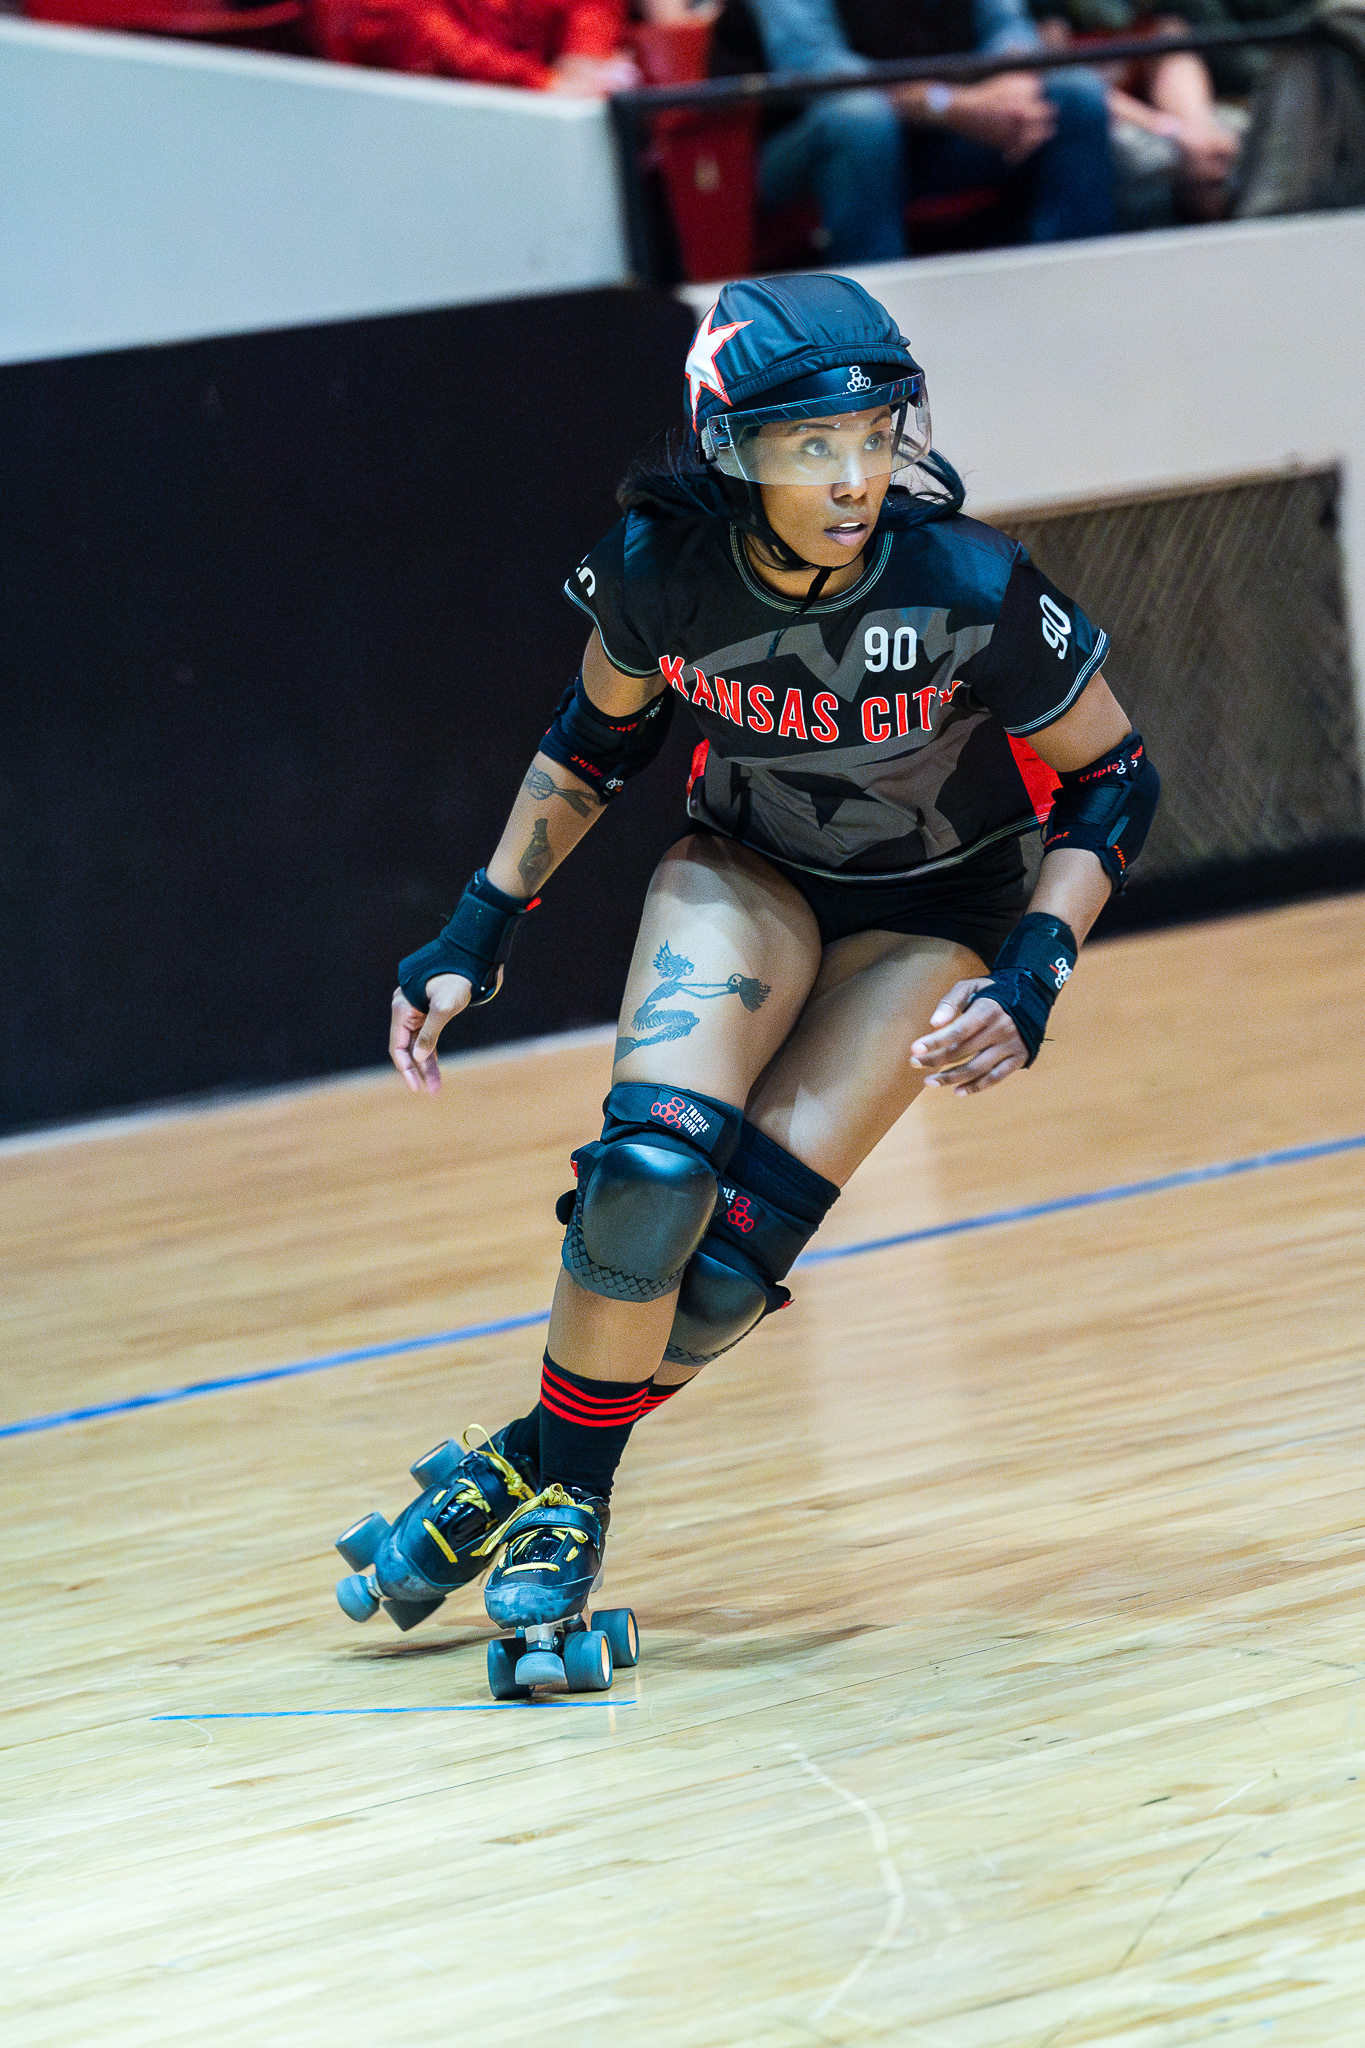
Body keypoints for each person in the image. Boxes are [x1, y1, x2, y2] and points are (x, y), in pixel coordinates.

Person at [334, 273, 1160, 1696]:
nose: (854, 478)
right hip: (749, 873)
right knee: (647, 1182)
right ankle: (569, 1506)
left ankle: (524, 1466)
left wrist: (1035, 971)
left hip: (936, 911)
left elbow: (1115, 777)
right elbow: (593, 743)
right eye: (811, 445)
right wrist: (479, 921)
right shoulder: (660, 572)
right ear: (732, 448)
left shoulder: (967, 583)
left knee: (717, 1282)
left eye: (876, 436)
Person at [709, 0, 1116, 263]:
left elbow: (1008, 28)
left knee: (1074, 97)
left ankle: (1073, 296)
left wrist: (1012, 84)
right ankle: (876, 340)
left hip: (944, 125)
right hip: (798, 148)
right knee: (859, 121)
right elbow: (821, 69)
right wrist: (948, 103)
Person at [309, 0, 640, 93]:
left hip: (533, 139)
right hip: (393, 136)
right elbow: (398, 26)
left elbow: (589, 15)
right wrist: (546, 84)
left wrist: (583, 60)